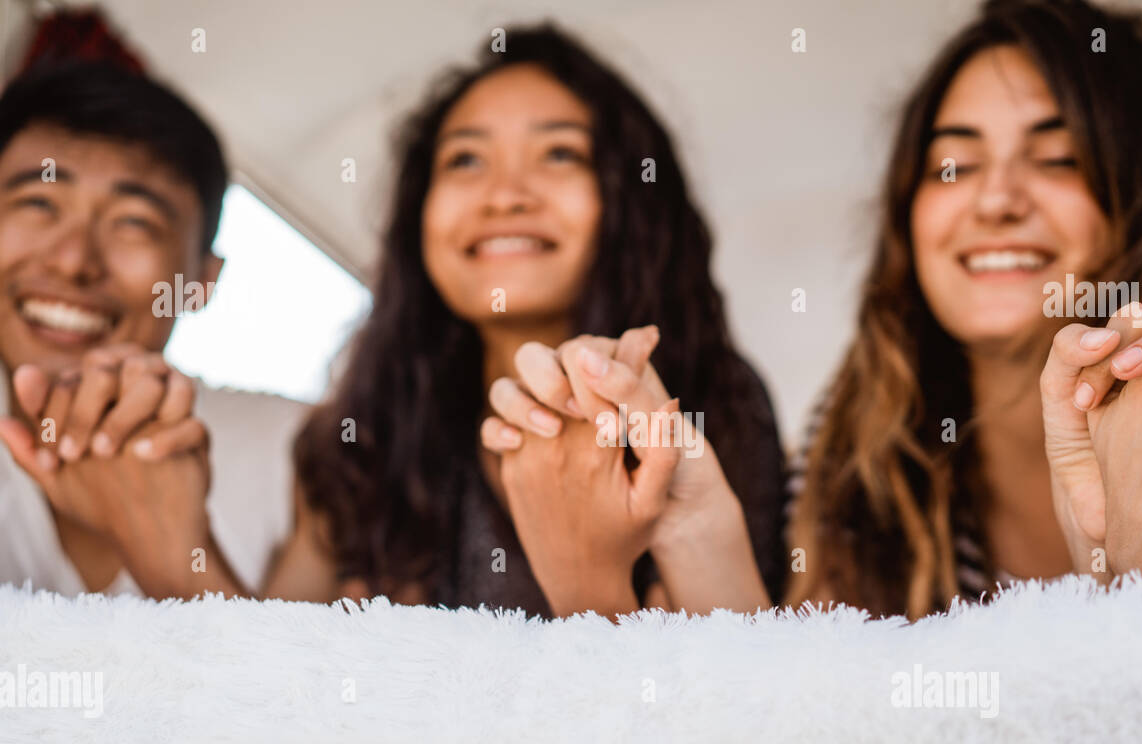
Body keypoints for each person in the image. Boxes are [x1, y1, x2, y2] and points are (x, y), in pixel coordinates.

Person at [481, 0, 1142, 620]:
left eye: (1059, 158)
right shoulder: (856, 440)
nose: (996, 200)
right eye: (953, 165)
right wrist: (694, 538)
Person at [88, 24, 786, 616]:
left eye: (560, 154)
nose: (504, 195)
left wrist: (588, 576)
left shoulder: (705, 403)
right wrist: (175, 550)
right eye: (466, 160)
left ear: (630, 201)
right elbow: (280, 698)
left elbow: (732, 731)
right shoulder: (363, 431)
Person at [0, 62, 305, 598]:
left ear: (202, 282)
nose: (74, 262)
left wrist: (177, 561)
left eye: (134, 222)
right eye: (39, 203)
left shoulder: (304, 458)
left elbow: (333, 683)